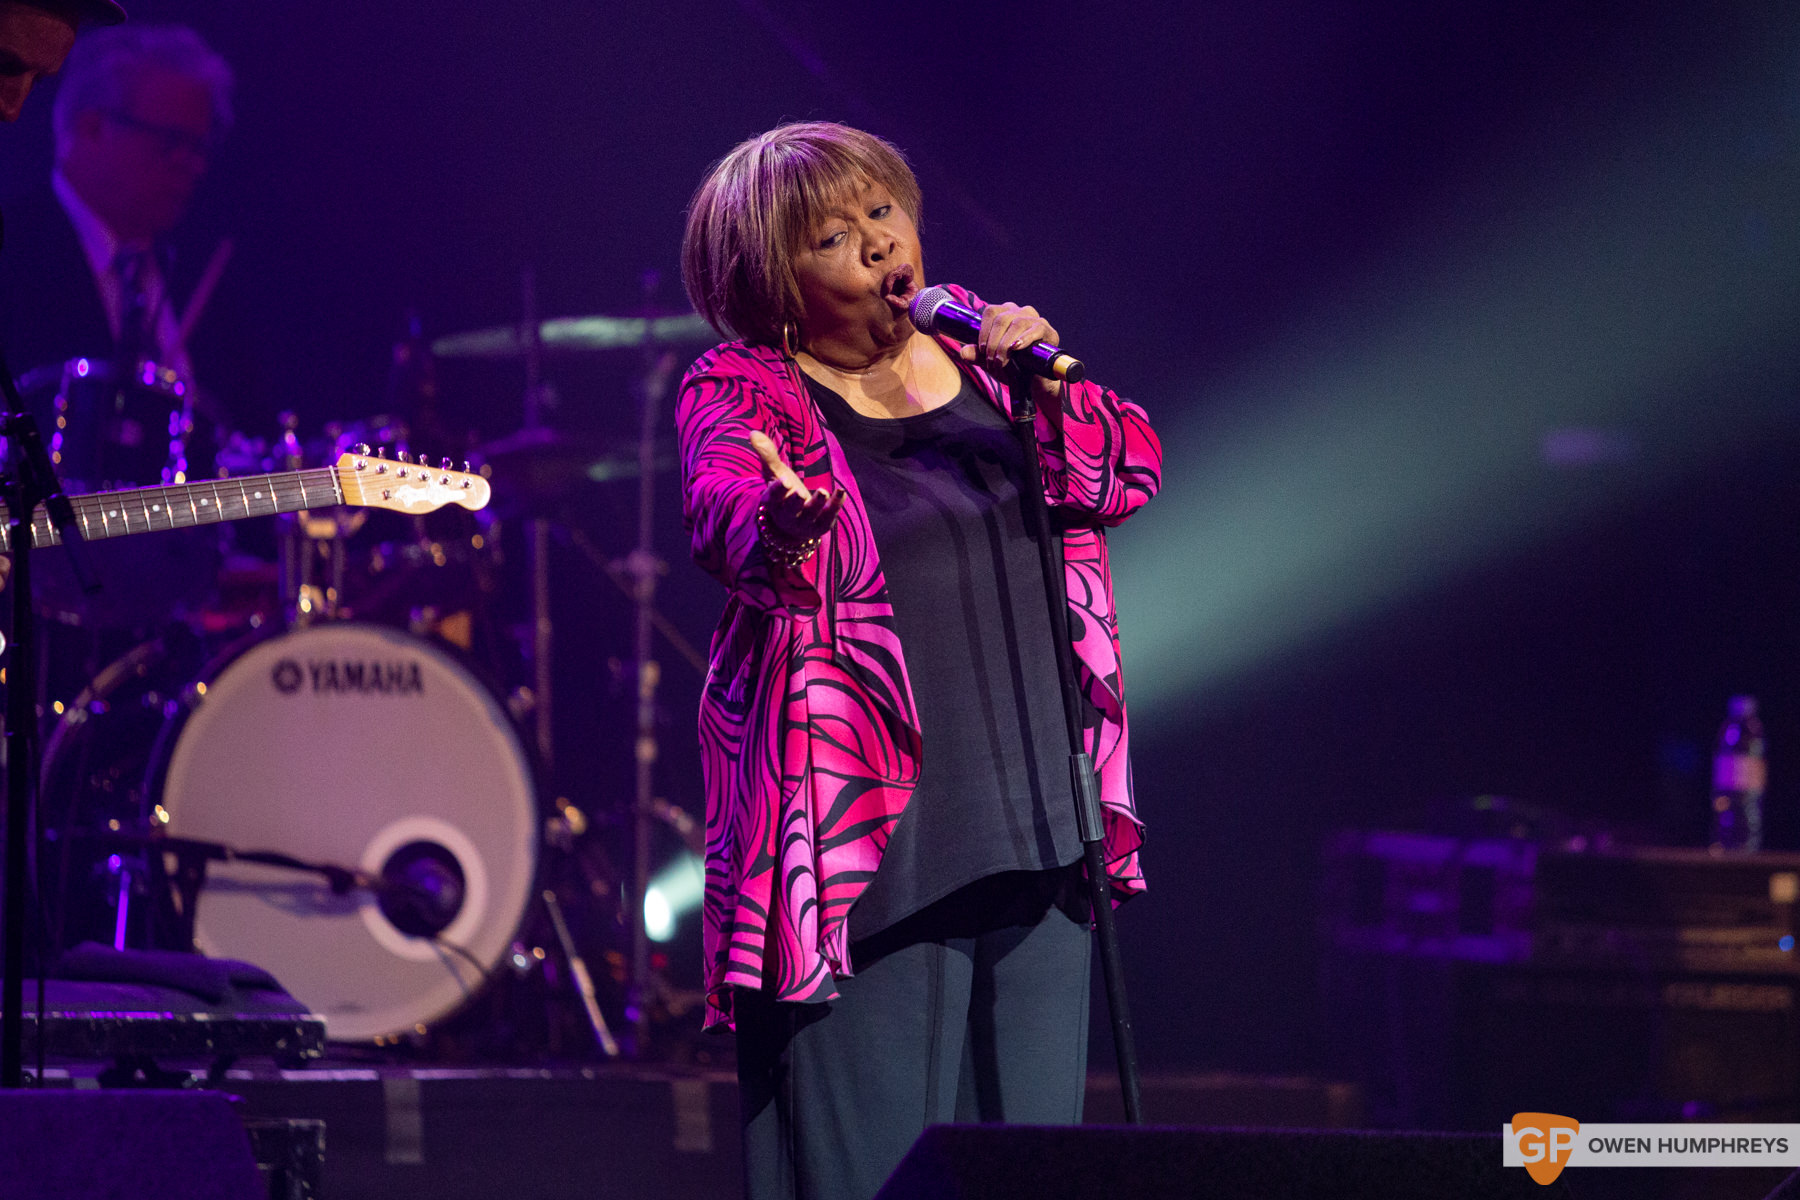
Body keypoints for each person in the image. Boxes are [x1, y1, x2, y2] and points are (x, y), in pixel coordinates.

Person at [676, 121, 1162, 1200]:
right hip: (865, 854)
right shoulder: (743, 390)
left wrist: (1045, 387)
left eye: (882, 214)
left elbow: (1123, 476)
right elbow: (725, 519)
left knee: (1029, 1171)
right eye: (833, 237)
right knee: (873, 1178)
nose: (878, 248)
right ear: (770, 282)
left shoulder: (988, 364)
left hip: (1041, 828)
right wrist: (785, 522)